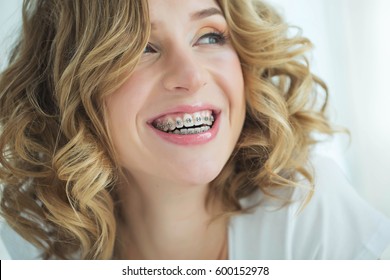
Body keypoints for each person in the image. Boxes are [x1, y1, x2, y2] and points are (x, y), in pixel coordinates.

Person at [0, 0, 389, 260]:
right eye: (141, 49)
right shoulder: (30, 248)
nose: (190, 76)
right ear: (66, 87)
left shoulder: (307, 211)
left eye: (210, 36)